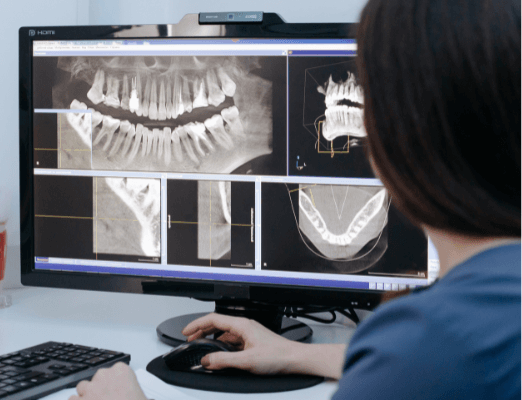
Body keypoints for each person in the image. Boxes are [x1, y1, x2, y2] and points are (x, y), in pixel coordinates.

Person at [68, 0, 521, 398]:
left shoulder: (431, 339)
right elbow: (431, 368)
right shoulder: (477, 327)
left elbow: (423, 362)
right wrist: (294, 354)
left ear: (398, 139)